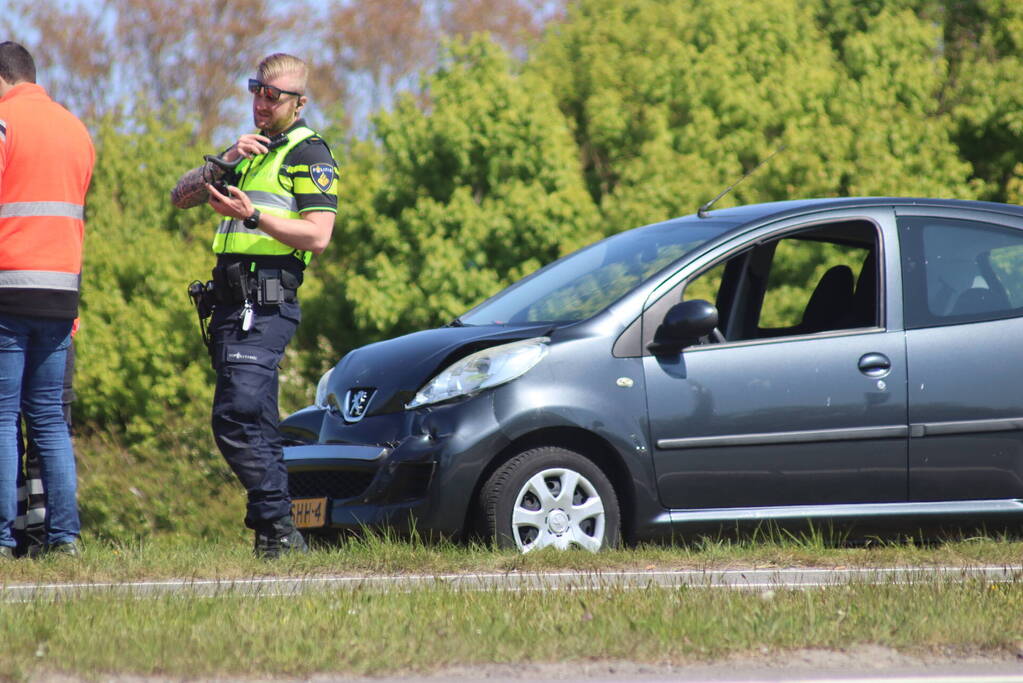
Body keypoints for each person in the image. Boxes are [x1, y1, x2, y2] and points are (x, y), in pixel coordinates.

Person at [171, 53, 338, 558]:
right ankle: (277, 539)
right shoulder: (245, 151)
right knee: (258, 424)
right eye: (256, 90)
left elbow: (318, 235)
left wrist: (253, 217)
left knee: (236, 417)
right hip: (227, 310)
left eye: (274, 95)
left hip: (265, 306)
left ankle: (277, 526)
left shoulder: (310, 154)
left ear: (299, 102)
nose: (261, 103)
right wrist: (222, 160)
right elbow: (181, 197)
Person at [0, 41, 94, 559]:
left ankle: (1, 539)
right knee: (50, 422)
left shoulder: (5, 124)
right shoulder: (75, 129)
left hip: (7, 287)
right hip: (59, 294)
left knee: (1, 417)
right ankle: (65, 539)